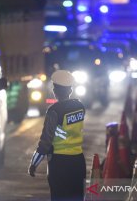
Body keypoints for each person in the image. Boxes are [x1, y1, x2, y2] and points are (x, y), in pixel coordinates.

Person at [28, 70, 86, 201]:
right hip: (78, 161)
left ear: (55, 91)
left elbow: (45, 142)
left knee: (59, 196)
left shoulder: (54, 111)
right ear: (70, 90)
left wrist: (34, 163)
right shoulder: (80, 107)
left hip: (60, 163)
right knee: (77, 196)